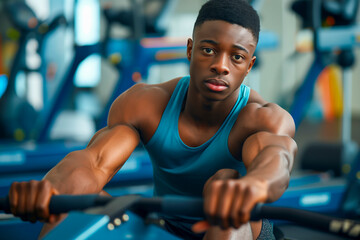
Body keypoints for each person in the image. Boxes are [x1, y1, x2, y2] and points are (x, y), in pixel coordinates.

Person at [7, 0, 297, 239]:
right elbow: (93, 164)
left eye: (236, 57)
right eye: (209, 50)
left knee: (223, 183)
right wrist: (50, 189)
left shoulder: (262, 117)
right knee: (78, 204)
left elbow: (277, 159)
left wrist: (254, 186)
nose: (220, 66)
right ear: (189, 49)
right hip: (167, 226)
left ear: (249, 66)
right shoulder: (145, 104)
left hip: (239, 231)